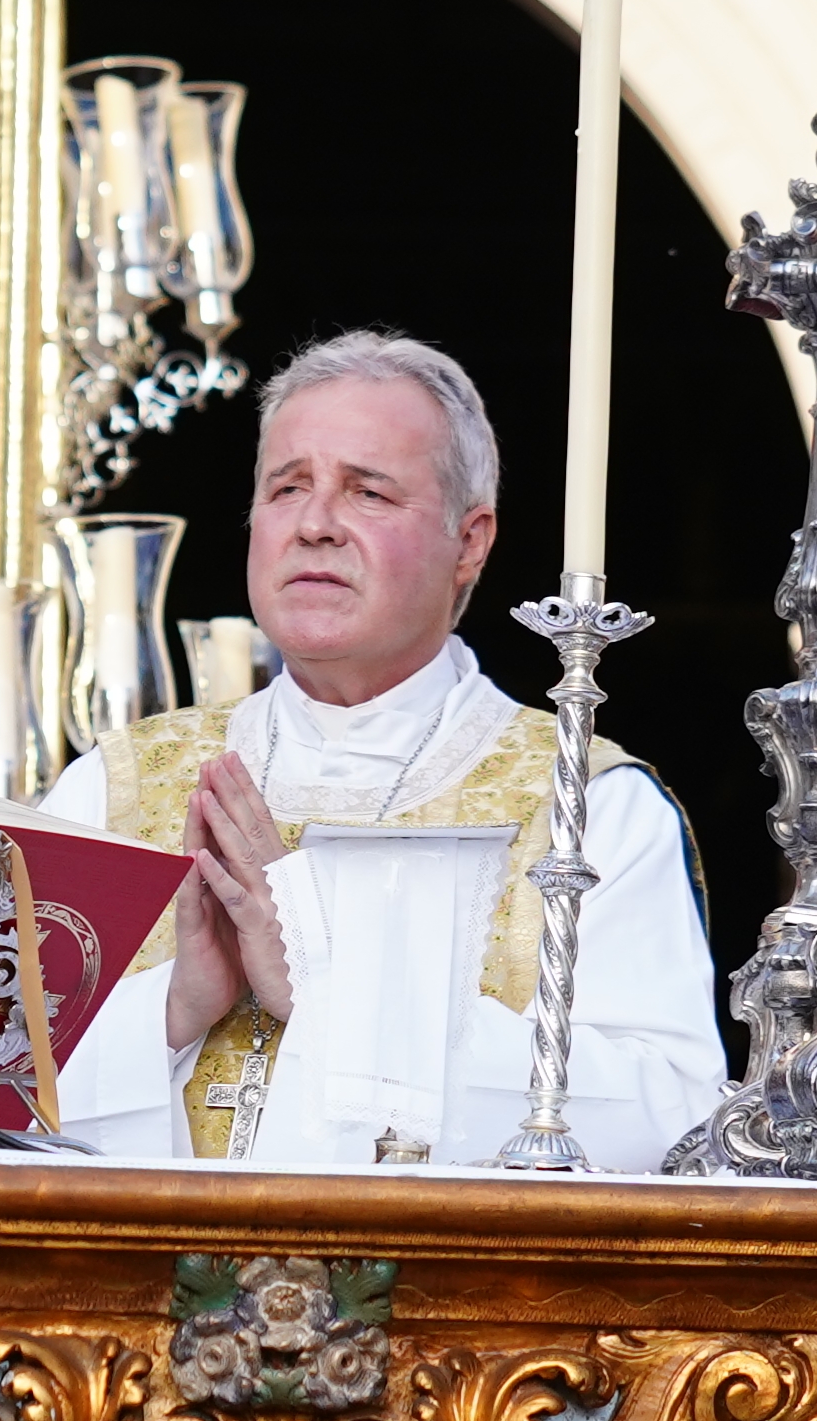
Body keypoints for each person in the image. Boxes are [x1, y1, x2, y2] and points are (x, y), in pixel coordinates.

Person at [37, 331, 721, 1160]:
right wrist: (174, 1010)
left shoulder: (588, 805)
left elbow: (667, 1122)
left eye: (369, 493)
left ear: (469, 541)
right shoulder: (110, 790)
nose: (315, 525)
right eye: (287, 487)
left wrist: (329, 995)